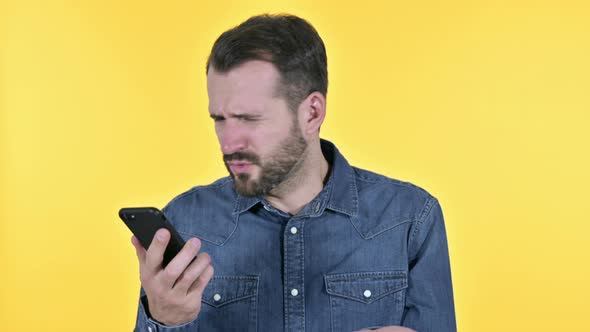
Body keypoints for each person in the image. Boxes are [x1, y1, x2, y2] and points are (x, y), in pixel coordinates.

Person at [130, 14, 456, 332]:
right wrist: (162, 320)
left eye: (250, 118)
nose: (229, 142)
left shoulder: (410, 218)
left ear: (312, 113)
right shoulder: (186, 222)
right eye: (220, 119)